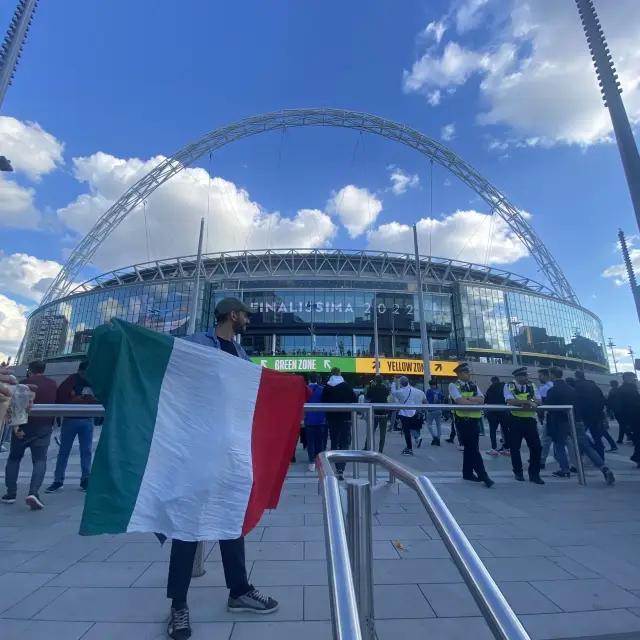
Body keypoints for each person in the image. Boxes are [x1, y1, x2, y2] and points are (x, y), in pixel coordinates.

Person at [164, 297, 279, 639]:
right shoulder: (198, 343)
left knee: (232, 519)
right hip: (197, 450)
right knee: (188, 529)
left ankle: (239, 591)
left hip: (230, 451)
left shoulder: (241, 355)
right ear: (232, 315)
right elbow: (166, 361)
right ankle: (178, 607)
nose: (249, 320)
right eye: (245, 315)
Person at [2, 361, 57, 509]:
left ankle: (11, 493)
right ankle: (34, 492)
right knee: (39, 460)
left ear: (30, 370)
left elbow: (14, 404)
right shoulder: (52, 384)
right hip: (44, 426)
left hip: (23, 425)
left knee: (14, 458)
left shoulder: (24, 383)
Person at [545, 367, 615, 483]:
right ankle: (604, 468)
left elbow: (549, 407)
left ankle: (564, 470)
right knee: (586, 446)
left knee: (559, 446)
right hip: (576, 420)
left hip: (561, 422)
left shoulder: (553, 390)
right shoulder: (571, 388)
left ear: (551, 375)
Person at [46, 360, 98, 494]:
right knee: (64, 451)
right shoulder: (70, 382)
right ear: (81, 371)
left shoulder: (92, 382)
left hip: (86, 420)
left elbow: (97, 399)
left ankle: (85, 479)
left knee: (85, 452)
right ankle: (58, 480)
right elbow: (61, 397)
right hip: (71, 420)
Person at [448, 364, 493, 487]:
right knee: (473, 449)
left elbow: (482, 399)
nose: (469, 374)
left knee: (470, 448)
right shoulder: (453, 385)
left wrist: (468, 398)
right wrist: (474, 401)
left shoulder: (473, 385)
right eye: (467, 372)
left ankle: (467, 473)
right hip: (463, 420)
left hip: (474, 420)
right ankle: (483, 475)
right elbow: (459, 401)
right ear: (460, 374)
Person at [504, 367, 544, 485]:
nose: (527, 378)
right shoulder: (509, 386)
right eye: (524, 376)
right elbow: (510, 401)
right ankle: (518, 472)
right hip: (515, 420)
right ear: (517, 376)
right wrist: (527, 402)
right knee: (515, 448)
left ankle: (534, 474)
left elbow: (539, 401)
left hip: (529, 420)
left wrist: (529, 401)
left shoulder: (532, 385)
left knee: (536, 447)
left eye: (527, 375)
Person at [321, 367, 357, 480]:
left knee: (334, 441)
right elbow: (354, 400)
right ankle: (341, 468)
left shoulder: (327, 387)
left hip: (332, 419)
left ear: (331, 374)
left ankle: (335, 466)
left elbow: (323, 402)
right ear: (340, 373)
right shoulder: (347, 387)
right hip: (345, 418)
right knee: (344, 442)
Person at [573, 371, 608, 460]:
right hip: (596, 415)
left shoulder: (576, 386)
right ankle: (601, 457)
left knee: (579, 438)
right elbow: (602, 399)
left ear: (576, 376)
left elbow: (576, 401)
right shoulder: (593, 385)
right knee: (597, 437)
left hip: (583, 416)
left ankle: (579, 460)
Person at [391, 377, 426, 456]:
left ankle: (409, 448)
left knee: (407, 432)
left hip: (404, 414)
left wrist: (393, 382)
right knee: (414, 428)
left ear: (401, 383)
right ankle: (417, 439)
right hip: (414, 412)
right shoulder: (416, 391)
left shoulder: (400, 392)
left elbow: (393, 392)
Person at [617, 371, 640, 467]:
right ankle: (637, 457)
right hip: (634, 417)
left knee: (637, 438)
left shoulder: (625, 389)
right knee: (638, 438)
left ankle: (637, 457)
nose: (635, 380)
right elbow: (631, 406)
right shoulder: (629, 390)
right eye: (633, 378)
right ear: (627, 379)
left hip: (632, 418)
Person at [305, 374, 326, 472]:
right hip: (320, 419)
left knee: (310, 441)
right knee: (319, 440)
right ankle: (319, 459)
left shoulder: (305, 389)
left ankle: (311, 460)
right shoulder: (321, 389)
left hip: (308, 419)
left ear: (309, 379)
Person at [484, 376, 509, 456]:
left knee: (493, 430)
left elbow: (486, 400)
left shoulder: (491, 388)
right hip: (504, 411)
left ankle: (493, 448)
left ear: (492, 381)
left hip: (493, 412)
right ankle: (507, 448)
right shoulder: (505, 386)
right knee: (505, 430)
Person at [365, 375, 390, 453]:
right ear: (382, 381)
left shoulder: (372, 388)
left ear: (375, 380)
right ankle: (380, 449)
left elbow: (367, 397)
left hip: (374, 412)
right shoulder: (385, 389)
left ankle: (367, 446)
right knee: (382, 433)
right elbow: (387, 394)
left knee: (371, 431)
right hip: (384, 413)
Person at [536, 369, 553, 469]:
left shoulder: (544, 388)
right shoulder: (554, 385)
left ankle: (542, 460)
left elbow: (540, 402)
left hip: (547, 415)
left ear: (546, 376)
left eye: (540, 375)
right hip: (559, 416)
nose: (539, 378)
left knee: (545, 439)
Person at [607, 380, 628, 444]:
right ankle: (626, 436)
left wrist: (609, 410)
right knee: (623, 424)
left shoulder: (611, 392)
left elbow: (609, 402)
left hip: (616, 410)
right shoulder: (620, 391)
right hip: (623, 409)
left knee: (622, 424)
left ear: (611, 385)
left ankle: (623, 438)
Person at [425, 380, 444, 446]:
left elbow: (426, 399)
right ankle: (438, 439)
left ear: (430, 385)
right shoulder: (440, 392)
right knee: (438, 425)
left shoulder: (429, 391)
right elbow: (442, 399)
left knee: (429, 424)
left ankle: (434, 437)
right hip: (438, 409)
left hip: (431, 409)